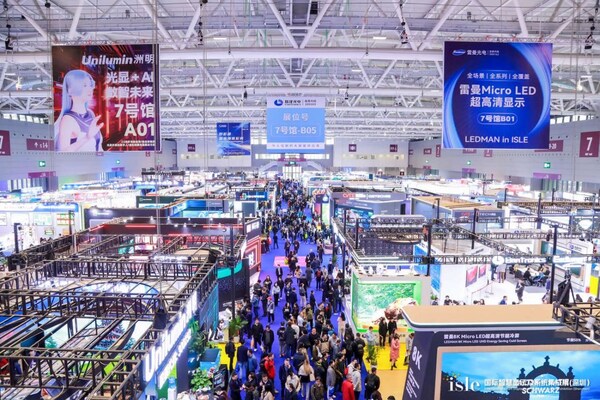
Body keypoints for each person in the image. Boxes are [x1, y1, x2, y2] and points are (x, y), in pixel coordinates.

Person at [54, 69, 104, 152]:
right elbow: (62, 154)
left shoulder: (90, 113)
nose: (90, 89)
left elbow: (98, 146)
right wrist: (86, 137)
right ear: (70, 91)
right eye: (84, 85)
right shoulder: (68, 120)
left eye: (90, 85)